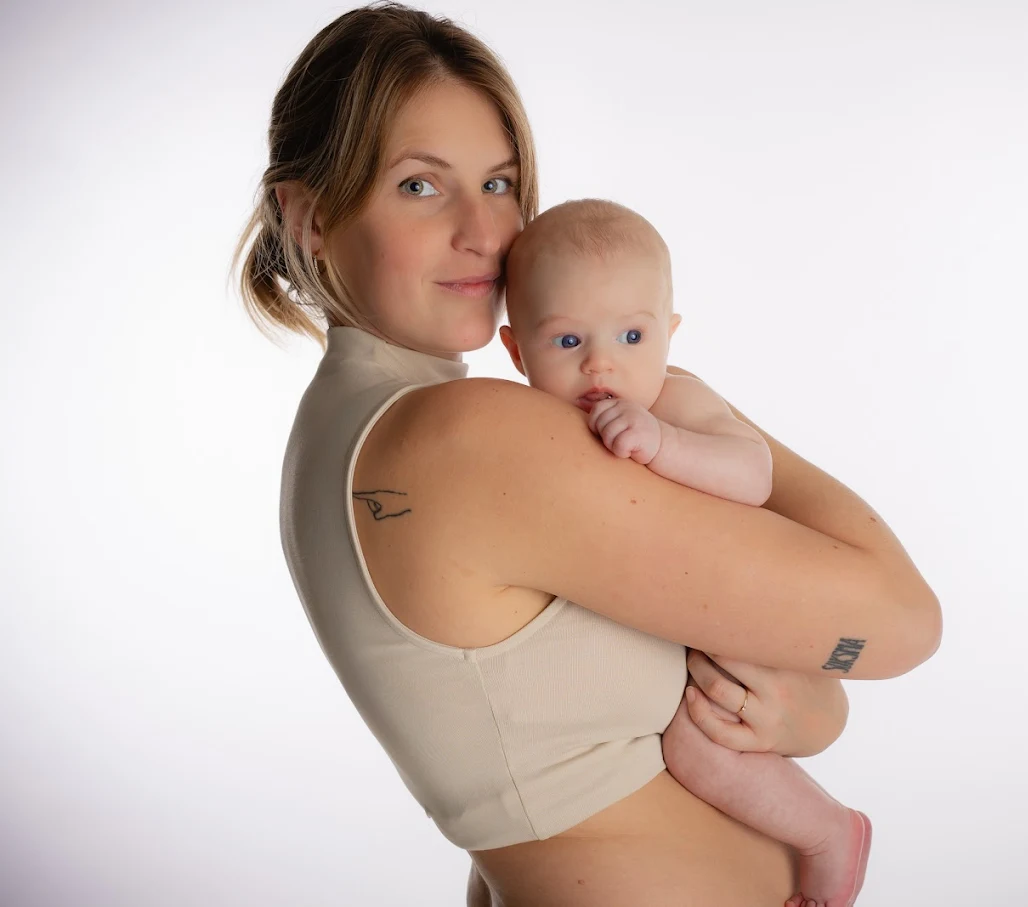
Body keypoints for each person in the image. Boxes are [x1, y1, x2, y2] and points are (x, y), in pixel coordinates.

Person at [236, 4, 942, 906]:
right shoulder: (465, 436)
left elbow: (536, 747)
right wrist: (695, 404)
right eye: (420, 185)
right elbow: (902, 620)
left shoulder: (346, 434)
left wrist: (809, 704)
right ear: (309, 218)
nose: (485, 234)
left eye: (499, 183)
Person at [497, 197, 872, 906]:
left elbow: (753, 471)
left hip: (729, 624)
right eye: (568, 343)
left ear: (669, 334)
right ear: (518, 351)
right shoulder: (534, 425)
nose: (602, 364)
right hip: (653, 630)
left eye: (632, 336)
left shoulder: (675, 401)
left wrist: (665, 444)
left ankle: (829, 832)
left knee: (695, 742)